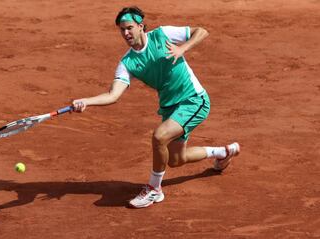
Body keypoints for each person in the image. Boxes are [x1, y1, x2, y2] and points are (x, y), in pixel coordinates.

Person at [72, 6, 240, 208]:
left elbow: (202, 31)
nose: (126, 33)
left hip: (194, 100)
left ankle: (154, 190)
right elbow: (113, 95)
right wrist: (86, 101)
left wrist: (182, 48)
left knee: (159, 136)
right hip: (171, 108)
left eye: (129, 28)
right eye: (122, 30)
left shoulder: (163, 34)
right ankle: (222, 153)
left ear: (141, 26)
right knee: (176, 160)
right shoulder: (127, 63)